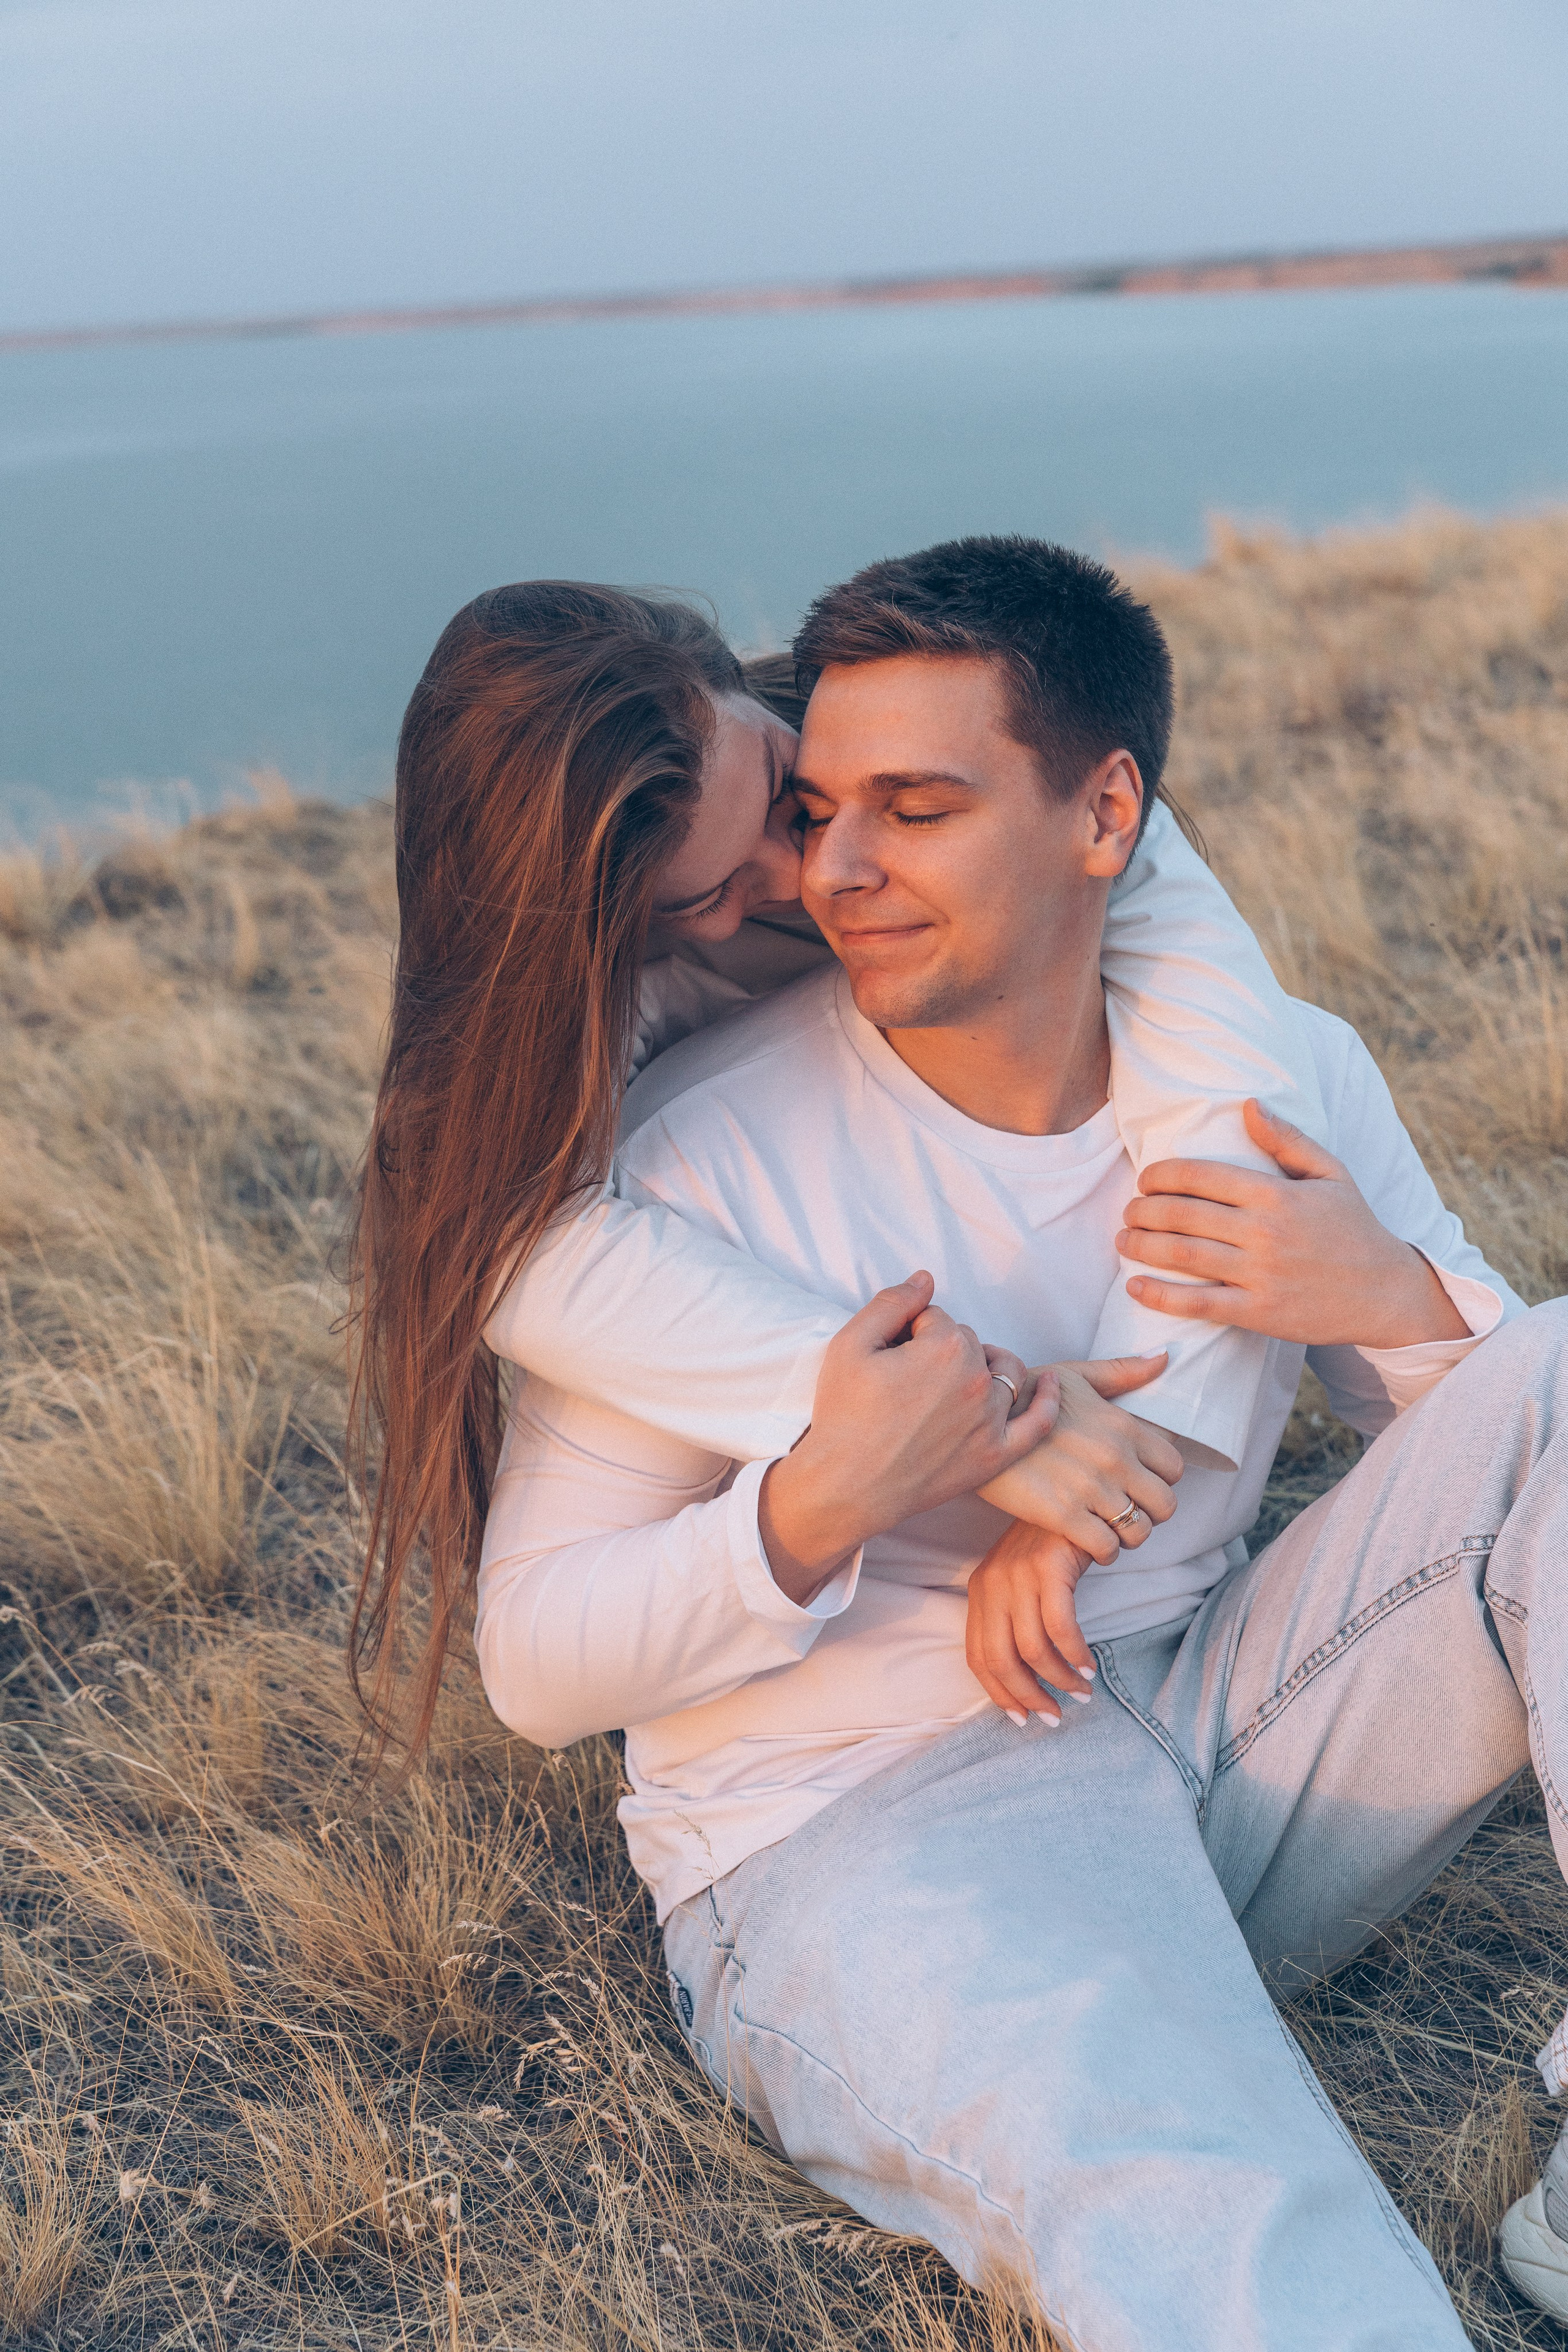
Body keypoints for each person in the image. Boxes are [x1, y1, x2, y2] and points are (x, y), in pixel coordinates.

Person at [473, 539, 1568, 2348]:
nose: (833, 873)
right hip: (867, 1827)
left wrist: (1388, 1298)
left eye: (915, 807)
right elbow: (544, 1649)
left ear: (1104, 814)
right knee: (1202, 2185)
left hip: (1223, 1737)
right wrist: (818, 1505)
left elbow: (1515, 1512)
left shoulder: (1282, 1074)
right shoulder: (689, 1165)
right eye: (819, 811)